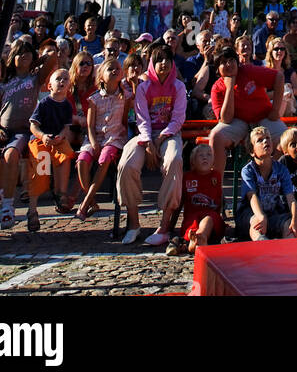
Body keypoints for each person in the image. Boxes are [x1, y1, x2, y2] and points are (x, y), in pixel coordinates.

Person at [0, 39, 60, 237]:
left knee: (11, 155)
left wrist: (36, 59)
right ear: (11, 58)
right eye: (19, 54)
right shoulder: (4, 84)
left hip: (22, 130)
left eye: (27, 53)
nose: (23, 57)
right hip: (1, 130)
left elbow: (52, 58)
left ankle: (7, 204)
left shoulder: (34, 79)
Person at [116, 43, 186, 247]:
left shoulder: (178, 87)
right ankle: (133, 223)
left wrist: (162, 137)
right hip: (145, 134)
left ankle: (164, 226)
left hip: (169, 134)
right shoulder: (144, 87)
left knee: (174, 160)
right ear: (152, 64)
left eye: (167, 59)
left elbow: (178, 118)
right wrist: (147, 143)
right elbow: (142, 118)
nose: (163, 63)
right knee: (127, 164)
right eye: (159, 60)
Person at [209, 45, 287, 173]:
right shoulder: (217, 88)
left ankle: (268, 175)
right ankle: (216, 187)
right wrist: (230, 88)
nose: (229, 64)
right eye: (223, 62)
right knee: (215, 136)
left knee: (286, 138)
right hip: (237, 121)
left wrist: (275, 110)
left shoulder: (248, 71)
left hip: (264, 117)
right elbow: (226, 119)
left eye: (231, 60)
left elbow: (279, 77)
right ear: (217, 69)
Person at [75, 57, 129, 219]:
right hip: (95, 137)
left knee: (105, 159)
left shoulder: (125, 96)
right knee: (82, 161)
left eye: (117, 68)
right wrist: (92, 142)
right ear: (101, 77)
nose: (114, 71)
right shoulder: (94, 99)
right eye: (110, 69)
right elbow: (90, 126)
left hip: (114, 138)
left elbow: (125, 120)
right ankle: (92, 201)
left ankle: (85, 203)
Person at [27, 68, 76, 230]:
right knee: (41, 167)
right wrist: (43, 137)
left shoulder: (67, 105)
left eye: (65, 79)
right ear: (50, 86)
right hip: (40, 140)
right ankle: (32, 209)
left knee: (66, 154)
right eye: (58, 79)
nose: (62, 82)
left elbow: (66, 128)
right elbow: (33, 126)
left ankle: (61, 193)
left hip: (57, 139)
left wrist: (61, 136)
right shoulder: (44, 104)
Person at [235, 126, 297, 241]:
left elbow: (290, 198)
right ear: (252, 151)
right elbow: (251, 196)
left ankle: (290, 249)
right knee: (256, 223)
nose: (265, 141)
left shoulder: (281, 169)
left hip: (273, 213)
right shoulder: (248, 170)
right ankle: (262, 243)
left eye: (268, 138)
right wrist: (261, 216)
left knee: (289, 224)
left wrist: (294, 219)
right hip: (251, 214)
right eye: (260, 140)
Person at [167, 140, 225, 254]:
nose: (205, 158)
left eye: (209, 155)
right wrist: (170, 226)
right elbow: (180, 201)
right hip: (192, 215)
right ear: (192, 162)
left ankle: (200, 237)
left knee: (208, 219)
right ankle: (195, 241)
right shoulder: (187, 177)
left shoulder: (216, 176)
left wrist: (222, 216)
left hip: (211, 215)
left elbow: (220, 199)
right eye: (201, 155)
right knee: (191, 225)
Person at [264, 34, 297, 117]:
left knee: (286, 96)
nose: (279, 51)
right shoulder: (265, 72)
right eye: (276, 49)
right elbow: (264, 95)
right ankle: (277, 124)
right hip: (271, 103)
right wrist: (280, 92)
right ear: (271, 52)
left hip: (289, 104)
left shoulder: (289, 70)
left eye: (282, 49)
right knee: (284, 96)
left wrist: (290, 90)